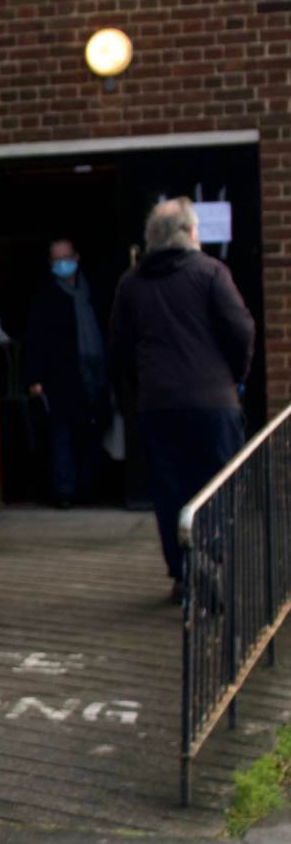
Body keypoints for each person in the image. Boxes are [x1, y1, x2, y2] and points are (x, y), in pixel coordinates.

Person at [109, 197, 255, 599]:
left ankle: (184, 572)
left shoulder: (132, 283)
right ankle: (214, 558)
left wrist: (139, 388)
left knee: (170, 490)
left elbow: (119, 347)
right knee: (219, 484)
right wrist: (235, 377)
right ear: (191, 233)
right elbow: (241, 331)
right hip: (213, 401)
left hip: (158, 405)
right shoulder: (211, 273)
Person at [23, 237, 109, 507]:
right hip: (59, 374)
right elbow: (35, 339)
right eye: (56, 259)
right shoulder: (45, 297)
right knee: (61, 435)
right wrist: (34, 378)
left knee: (90, 431)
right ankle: (64, 491)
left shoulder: (92, 291)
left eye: (66, 257)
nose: (62, 264)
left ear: (77, 257)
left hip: (93, 370)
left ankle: (87, 488)